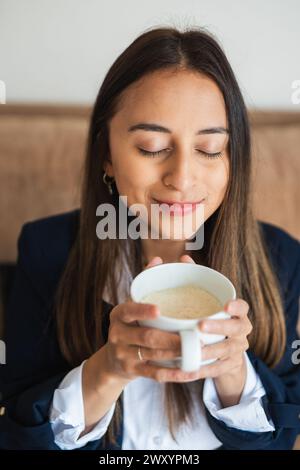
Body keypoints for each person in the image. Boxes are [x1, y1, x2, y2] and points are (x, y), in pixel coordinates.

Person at [0, 26, 300, 451]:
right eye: (153, 146)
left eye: (210, 149)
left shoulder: (281, 260)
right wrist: (107, 369)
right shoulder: (47, 251)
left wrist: (234, 372)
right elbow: (17, 435)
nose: (181, 178)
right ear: (107, 152)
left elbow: (282, 435)